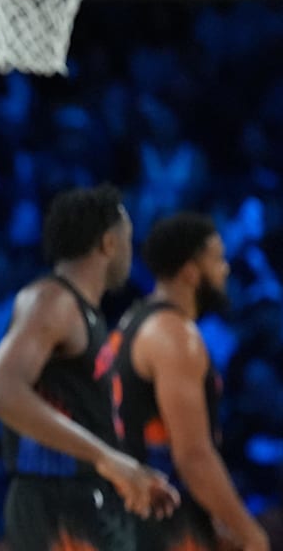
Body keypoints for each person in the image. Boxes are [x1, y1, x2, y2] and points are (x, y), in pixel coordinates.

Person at [0, 183, 179, 551]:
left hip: (82, 496)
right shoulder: (52, 300)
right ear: (108, 244)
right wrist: (106, 459)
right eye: (128, 239)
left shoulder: (83, 312)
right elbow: (0, 392)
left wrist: (125, 470)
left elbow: (82, 416)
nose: (131, 252)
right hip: (54, 500)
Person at [111, 212, 269, 551]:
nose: (225, 270)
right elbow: (192, 456)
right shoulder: (175, 335)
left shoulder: (134, 320)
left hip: (134, 515)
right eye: (217, 260)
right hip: (163, 522)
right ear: (190, 272)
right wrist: (249, 532)